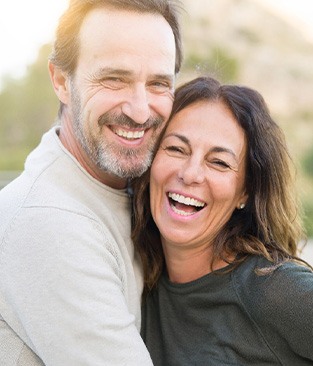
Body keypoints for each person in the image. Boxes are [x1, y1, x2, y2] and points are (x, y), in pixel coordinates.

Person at [0, 0, 183, 365]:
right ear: (61, 81)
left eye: (159, 83)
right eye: (115, 79)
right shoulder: (47, 222)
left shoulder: (138, 191)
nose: (140, 109)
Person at [132, 76, 313, 365]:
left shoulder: (274, 290)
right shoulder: (132, 280)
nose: (190, 174)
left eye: (219, 162)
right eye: (176, 149)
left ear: (245, 192)